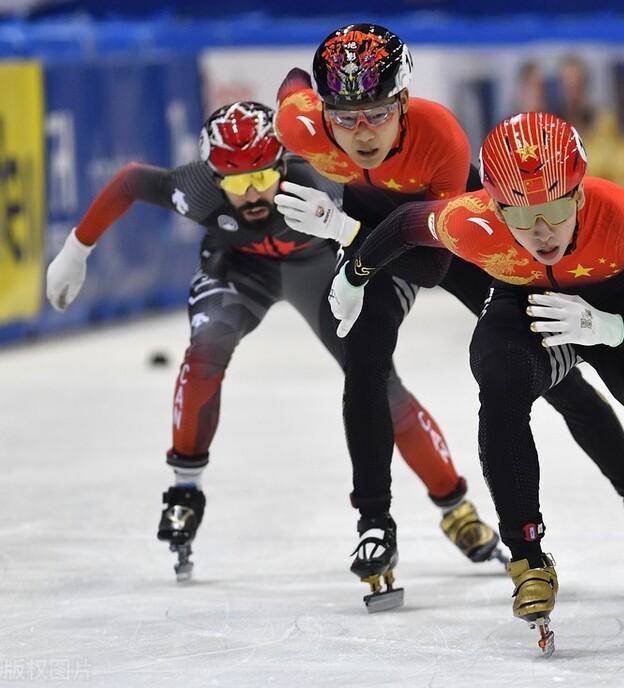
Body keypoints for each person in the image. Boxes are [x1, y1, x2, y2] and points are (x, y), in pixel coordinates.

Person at [285, 111, 624, 656]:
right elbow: (405, 226)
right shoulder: (470, 218)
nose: (541, 231)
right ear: (494, 207)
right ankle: (527, 558)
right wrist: (355, 273)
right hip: (526, 305)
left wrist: (608, 327)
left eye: (554, 208)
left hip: (623, 311)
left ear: (578, 194)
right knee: (500, 387)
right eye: (520, 217)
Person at [273, 24, 624, 604]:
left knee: (554, 378)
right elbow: (291, 88)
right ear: (323, 111)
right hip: (371, 241)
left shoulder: (440, 138)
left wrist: (341, 229)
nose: (361, 132)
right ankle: (374, 523)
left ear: (404, 101)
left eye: (378, 112)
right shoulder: (300, 123)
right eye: (345, 115)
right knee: (364, 364)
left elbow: (431, 267)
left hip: (455, 241)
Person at [42, 102, 490, 593]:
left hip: (321, 272)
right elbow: (129, 181)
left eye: (262, 177)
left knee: (378, 382)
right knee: (205, 350)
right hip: (240, 271)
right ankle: (184, 489)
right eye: (235, 184)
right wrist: (76, 250)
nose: (252, 194)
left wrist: (367, 274)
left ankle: (455, 506)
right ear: (215, 177)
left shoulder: (320, 180)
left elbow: (390, 227)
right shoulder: (196, 188)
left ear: (282, 163)